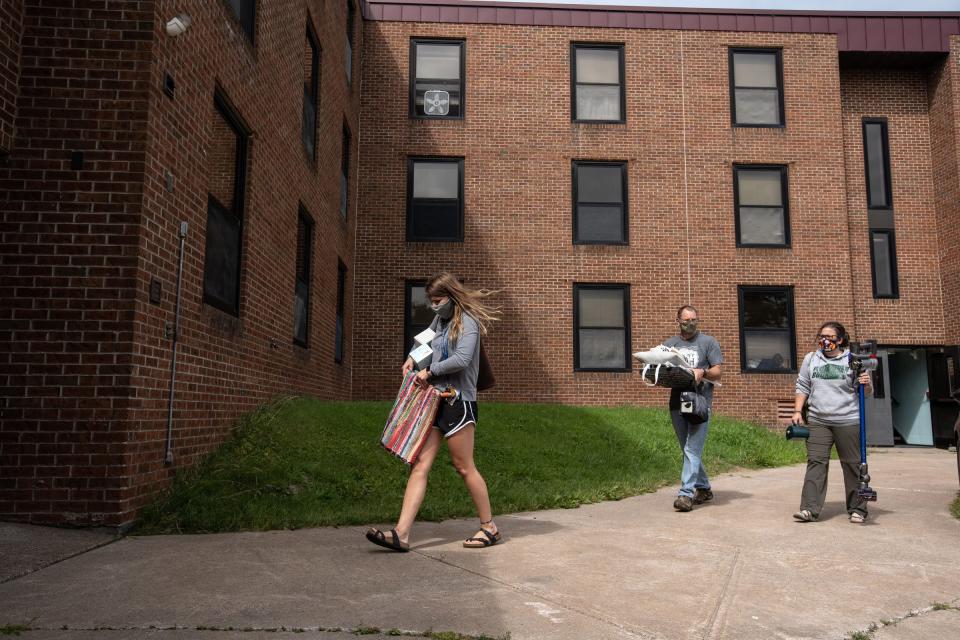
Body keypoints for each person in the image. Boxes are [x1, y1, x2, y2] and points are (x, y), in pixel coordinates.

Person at [366, 272, 501, 551]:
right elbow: (425, 342)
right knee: (420, 464)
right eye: (431, 301)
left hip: (459, 402)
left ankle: (489, 528)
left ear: (451, 296)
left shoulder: (469, 323)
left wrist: (429, 371)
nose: (434, 306)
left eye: (438, 300)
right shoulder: (440, 320)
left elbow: (462, 359)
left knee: (463, 466)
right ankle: (401, 534)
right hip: (435, 403)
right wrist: (411, 359)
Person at [792, 321, 872, 524]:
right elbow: (803, 385)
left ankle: (858, 509)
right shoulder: (811, 359)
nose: (825, 341)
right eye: (821, 337)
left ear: (841, 340)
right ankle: (809, 508)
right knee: (816, 463)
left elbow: (867, 392)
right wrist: (797, 410)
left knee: (853, 465)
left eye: (830, 337)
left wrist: (866, 384)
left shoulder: (853, 360)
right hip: (819, 420)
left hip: (848, 420)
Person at [663, 305, 723, 512]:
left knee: (692, 448)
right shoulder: (670, 344)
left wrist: (702, 371)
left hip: (699, 402)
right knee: (687, 448)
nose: (691, 323)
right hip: (676, 402)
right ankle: (704, 488)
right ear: (678, 321)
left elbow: (717, 371)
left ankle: (686, 494)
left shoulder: (708, 342)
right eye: (686, 320)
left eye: (694, 320)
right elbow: (659, 366)